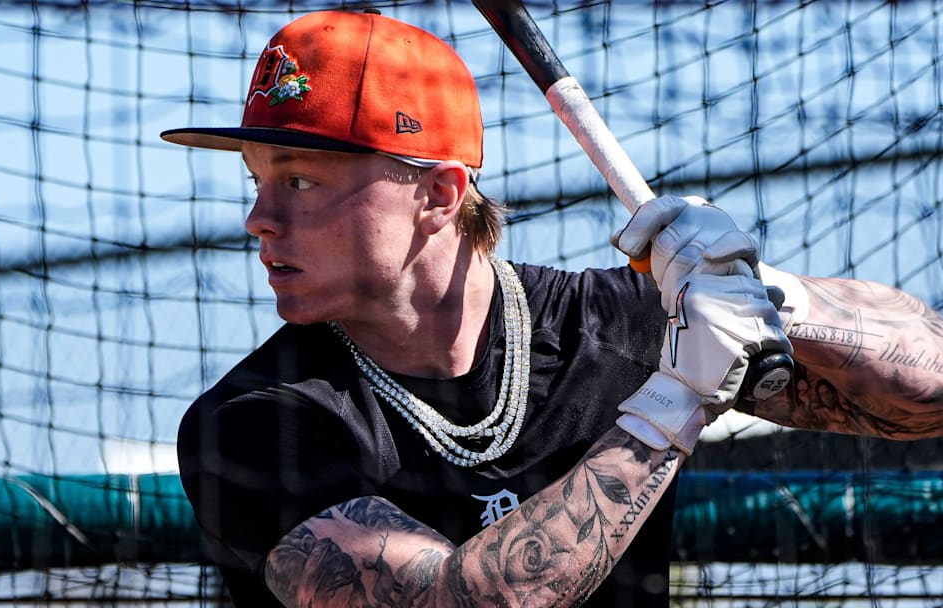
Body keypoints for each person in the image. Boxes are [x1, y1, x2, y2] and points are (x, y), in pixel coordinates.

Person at [165, 9, 943, 607]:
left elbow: (928, 394)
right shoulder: (255, 422)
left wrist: (766, 297)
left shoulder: (617, 324)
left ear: (437, 194)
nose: (259, 219)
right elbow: (460, 600)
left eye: (298, 181)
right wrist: (676, 402)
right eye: (257, 181)